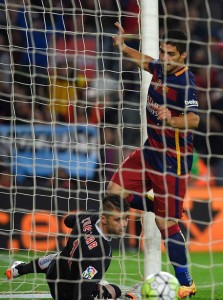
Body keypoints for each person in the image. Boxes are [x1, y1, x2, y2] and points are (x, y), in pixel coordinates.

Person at [107, 22, 200, 299]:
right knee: (114, 193)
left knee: (165, 225)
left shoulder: (185, 81)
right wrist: (124, 47)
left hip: (174, 160)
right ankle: (162, 207)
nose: (165, 57)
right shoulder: (161, 66)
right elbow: (147, 62)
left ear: (182, 55)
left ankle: (186, 283)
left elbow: (194, 119)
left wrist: (170, 118)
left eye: (171, 53)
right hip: (150, 151)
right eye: (163, 51)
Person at [5, 194, 130, 300]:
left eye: (126, 218)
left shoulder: (90, 215)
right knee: (114, 290)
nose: (124, 224)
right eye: (118, 220)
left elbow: (68, 221)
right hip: (66, 294)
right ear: (104, 219)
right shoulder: (100, 254)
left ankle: (19, 269)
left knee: (61, 256)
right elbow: (81, 295)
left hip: (55, 270)